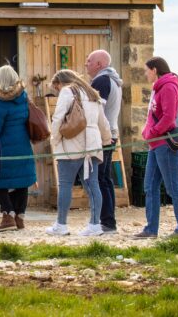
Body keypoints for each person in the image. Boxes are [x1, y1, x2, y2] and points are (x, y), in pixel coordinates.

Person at [46, 69, 111, 237]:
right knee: (92, 185)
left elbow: (58, 118)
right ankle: (95, 224)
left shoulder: (67, 91)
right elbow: (102, 121)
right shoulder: (91, 92)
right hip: (92, 143)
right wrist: (106, 140)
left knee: (66, 184)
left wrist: (54, 139)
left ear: (60, 83)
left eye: (56, 87)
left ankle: (61, 225)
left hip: (71, 143)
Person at [134, 57, 178, 239]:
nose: (145, 73)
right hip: (155, 144)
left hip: (164, 143)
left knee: (172, 187)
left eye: (147, 70)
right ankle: (151, 229)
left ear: (155, 69)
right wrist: (147, 130)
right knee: (149, 186)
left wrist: (153, 132)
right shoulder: (159, 88)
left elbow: (168, 117)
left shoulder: (168, 87)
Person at [0, 65, 36, 232]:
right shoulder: (23, 97)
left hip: (5, 148)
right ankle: (20, 217)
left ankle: (8, 215)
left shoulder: (1, 101)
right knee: (22, 181)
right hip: (23, 145)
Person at [86, 49, 122, 234]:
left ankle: (105, 221)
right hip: (111, 134)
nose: (86, 64)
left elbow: (96, 111)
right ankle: (108, 221)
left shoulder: (101, 80)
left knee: (99, 179)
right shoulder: (113, 80)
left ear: (99, 64)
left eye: (89, 61)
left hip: (103, 136)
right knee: (105, 179)